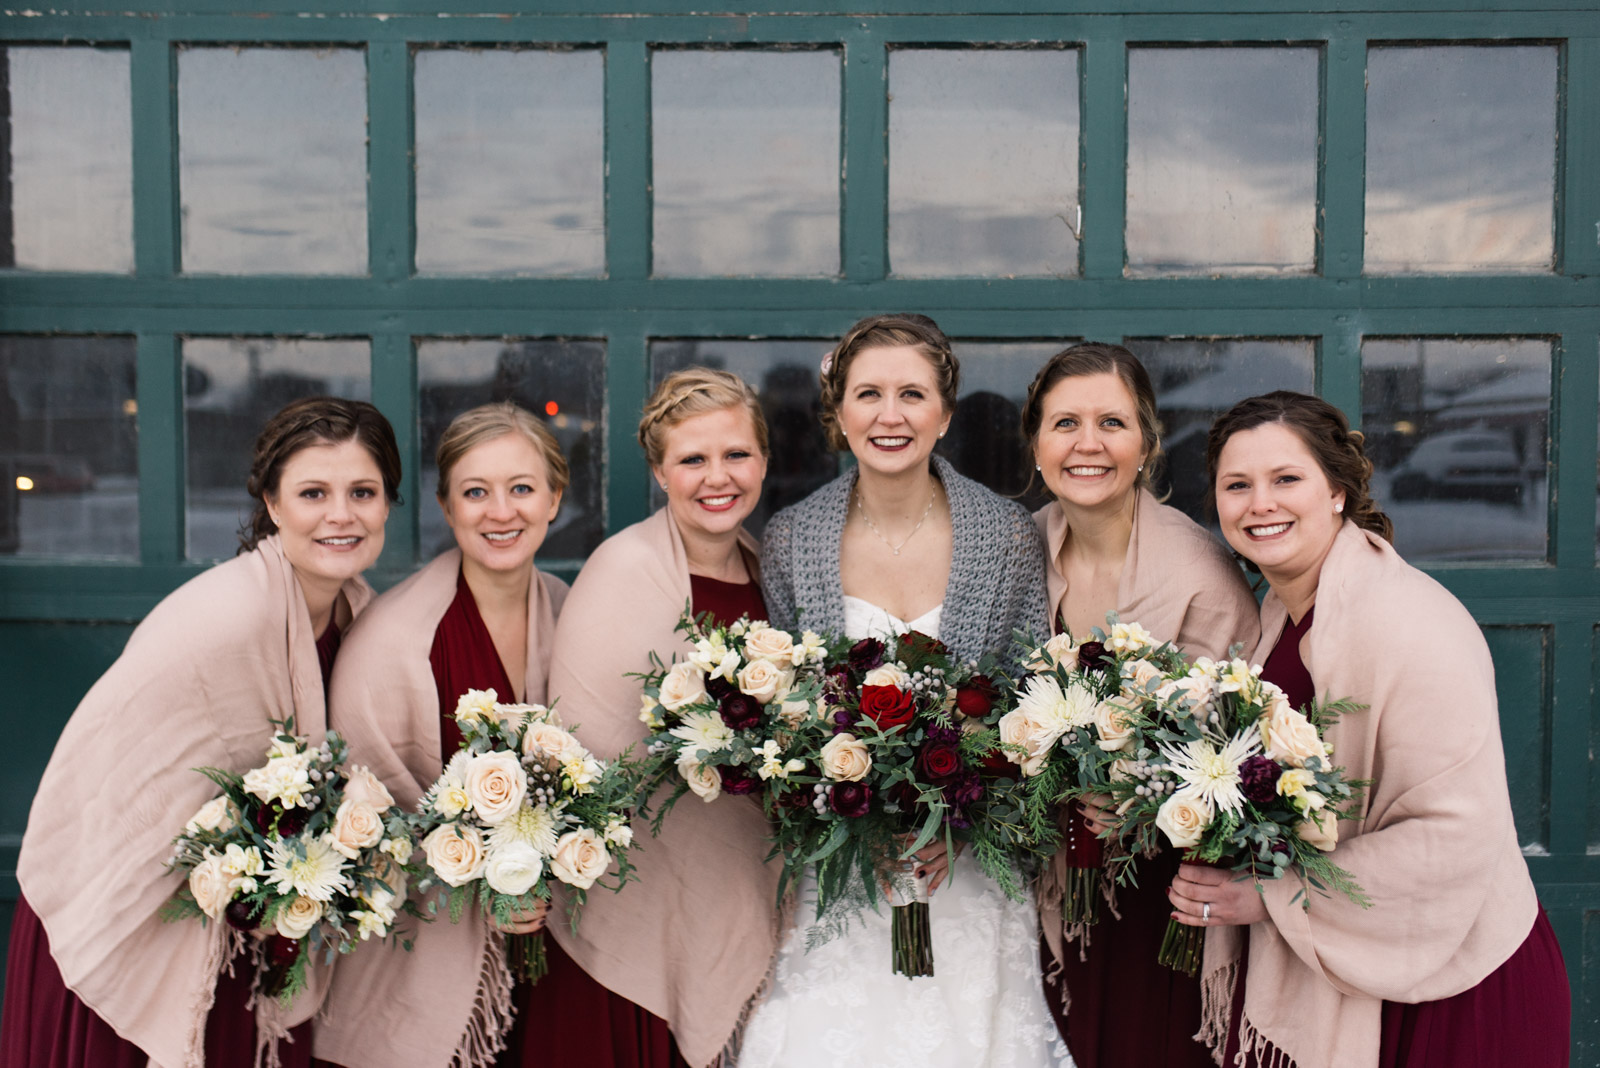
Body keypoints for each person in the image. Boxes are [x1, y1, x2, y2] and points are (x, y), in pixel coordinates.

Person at [1172, 390, 1569, 1068]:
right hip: (1361, 974)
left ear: (1338, 491)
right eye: (1237, 485)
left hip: (1452, 990)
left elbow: (1453, 835)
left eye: (1286, 479)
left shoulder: (1407, 621)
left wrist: (1272, 894)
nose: (1259, 504)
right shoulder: (1279, 615)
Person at [0, 397, 399, 1068]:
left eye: (363, 491)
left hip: (249, 934)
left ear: (389, 502)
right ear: (273, 504)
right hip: (126, 925)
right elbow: (131, 805)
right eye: (313, 493)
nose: (342, 514)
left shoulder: (356, 613)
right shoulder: (231, 618)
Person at [743, 312, 1065, 1068]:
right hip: (844, 875)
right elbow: (788, 719)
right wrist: (847, 808)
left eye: (912, 395)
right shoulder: (794, 537)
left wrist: (957, 824)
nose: (891, 416)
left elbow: (1029, 710)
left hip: (964, 871)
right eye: (869, 395)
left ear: (945, 413)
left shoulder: (1005, 534)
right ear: (840, 412)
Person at [312, 402, 577, 1068]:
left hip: (553, 951)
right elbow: (365, 817)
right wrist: (482, 875)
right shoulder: (392, 643)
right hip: (433, 950)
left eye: (521, 488)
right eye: (475, 492)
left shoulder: (572, 613)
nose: (501, 512)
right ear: (445, 506)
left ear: (554, 499)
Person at [1021, 343, 1259, 1067]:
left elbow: (1242, 751)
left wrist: (1138, 794)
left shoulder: (1200, 575)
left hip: (1166, 892)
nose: (1087, 444)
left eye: (1112, 423)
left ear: (1148, 444)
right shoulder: (1020, 551)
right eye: (1065, 423)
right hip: (1053, 877)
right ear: (1035, 444)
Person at [542, 368, 776, 1068]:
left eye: (736, 454)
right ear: (659, 471)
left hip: (748, 875)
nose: (718, 477)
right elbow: (590, 753)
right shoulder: (623, 570)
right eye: (693, 460)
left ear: (764, 459)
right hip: (643, 898)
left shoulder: (769, 569)